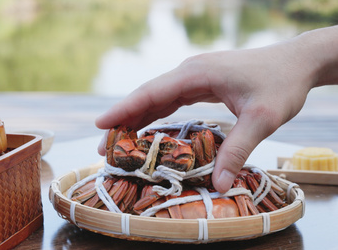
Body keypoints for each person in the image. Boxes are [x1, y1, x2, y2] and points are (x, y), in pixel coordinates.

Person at [95, 25, 338, 193]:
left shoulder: (202, 145)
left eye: (164, 149)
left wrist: (304, 56)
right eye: (150, 147)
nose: (157, 153)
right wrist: (307, 56)